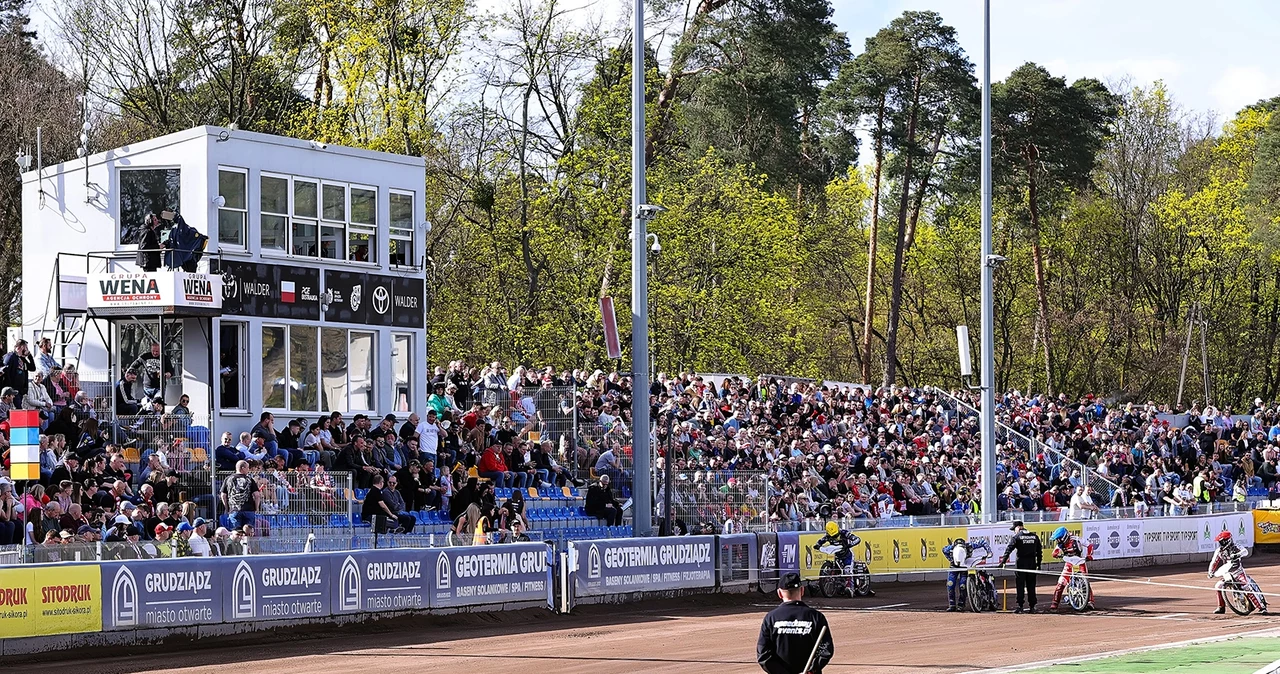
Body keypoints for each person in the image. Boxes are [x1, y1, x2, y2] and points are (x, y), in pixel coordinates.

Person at [757, 572, 834, 674]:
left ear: (779, 593)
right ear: (802, 590)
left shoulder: (771, 618)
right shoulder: (816, 617)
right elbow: (826, 649)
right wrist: (812, 669)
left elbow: (763, 653)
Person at [1209, 530, 1266, 614]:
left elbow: (1245, 552)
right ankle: (1221, 607)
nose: (1220, 544)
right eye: (1220, 542)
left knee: (1247, 587)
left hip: (1238, 572)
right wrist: (1210, 572)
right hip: (1227, 573)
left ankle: (1261, 607)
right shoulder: (1219, 551)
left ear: (1227, 541)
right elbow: (1214, 562)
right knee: (1218, 586)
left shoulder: (1237, 546)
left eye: (1222, 542)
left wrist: (1237, 555)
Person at [814, 520, 873, 597]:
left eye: (836, 535)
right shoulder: (827, 536)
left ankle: (850, 588)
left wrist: (850, 545)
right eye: (833, 536)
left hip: (848, 556)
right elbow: (820, 541)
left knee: (847, 571)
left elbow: (857, 539)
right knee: (835, 569)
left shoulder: (844, 533)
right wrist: (817, 545)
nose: (834, 538)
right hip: (837, 556)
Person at [998, 520, 1043, 614]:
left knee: (1020, 585)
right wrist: (1038, 564)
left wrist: (1003, 562)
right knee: (1031, 586)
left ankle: (1020, 606)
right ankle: (1032, 606)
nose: (1014, 531)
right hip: (1032, 564)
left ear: (1018, 527)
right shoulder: (1034, 536)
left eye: (1014, 529)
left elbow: (1009, 549)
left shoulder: (1017, 537)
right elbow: (1039, 552)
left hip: (1020, 564)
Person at [1049, 526, 1095, 611]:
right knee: (1061, 582)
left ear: (1064, 537)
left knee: (1085, 582)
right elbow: (1055, 552)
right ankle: (1055, 603)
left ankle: (1090, 602)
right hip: (1069, 562)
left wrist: (1089, 555)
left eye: (1059, 539)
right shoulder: (1060, 544)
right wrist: (1055, 554)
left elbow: (1089, 545)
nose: (1058, 541)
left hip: (1080, 561)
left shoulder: (1076, 539)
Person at [942, 536, 993, 611]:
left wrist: (989, 552)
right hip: (953, 566)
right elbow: (943, 550)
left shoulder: (969, 545)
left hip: (965, 565)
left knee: (963, 585)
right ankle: (952, 604)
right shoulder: (950, 548)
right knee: (950, 584)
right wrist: (951, 559)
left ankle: (961, 604)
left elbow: (983, 542)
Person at [220, 460, 261, 532]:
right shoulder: (249, 479)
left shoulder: (228, 479)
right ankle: (247, 543)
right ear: (242, 468)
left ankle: (236, 543)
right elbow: (257, 495)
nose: (249, 470)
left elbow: (223, 495)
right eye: (248, 468)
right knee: (249, 533)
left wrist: (227, 508)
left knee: (235, 532)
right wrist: (256, 508)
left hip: (234, 510)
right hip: (249, 510)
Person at [1, 339, 34, 407]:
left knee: (19, 409)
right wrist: (10, 388)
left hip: (20, 390)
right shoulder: (11, 356)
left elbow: (32, 368)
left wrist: (29, 356)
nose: (27, 350)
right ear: (21, 347)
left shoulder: (22, 359)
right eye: (26, 347)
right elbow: (6, 372)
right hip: (13, 390)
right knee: (16, 410)